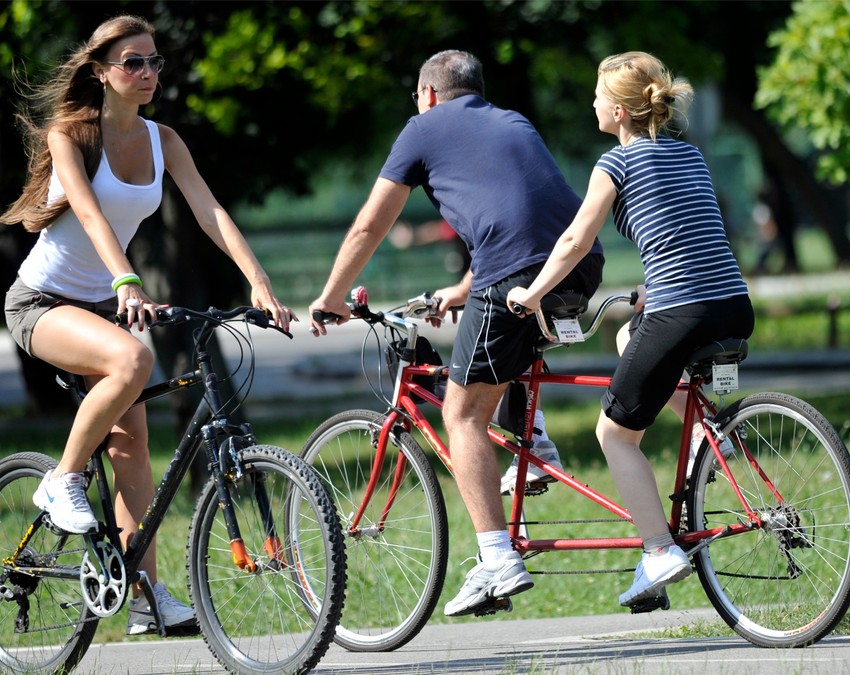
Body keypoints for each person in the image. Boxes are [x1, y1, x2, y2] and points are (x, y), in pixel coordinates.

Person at [1, 15, 294, 635]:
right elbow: (87, 210)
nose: (148, 73)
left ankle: (144, 597)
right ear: (102, 72)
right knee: (133, 363)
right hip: (42, 303)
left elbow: (211, 211)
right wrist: (127, 279)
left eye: (154, 61)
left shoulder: (166, 141)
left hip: (108, 305)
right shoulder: (70, 135)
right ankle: (61, 481)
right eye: (133, 62)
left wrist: (259, 282)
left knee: (134, 446)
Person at [309, 49, 604, 617]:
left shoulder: (422, 129)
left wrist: (330, 297)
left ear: (427, 95)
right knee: (504, 359)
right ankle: (532, 440)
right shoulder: (512, 120)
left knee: (462, 414)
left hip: (516, 273)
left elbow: (372, 222)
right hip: (579, 266)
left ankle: (497, 559)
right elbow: (521, 218)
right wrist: (460, 291)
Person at [506, 51, 754, 607]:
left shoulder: (614, 165)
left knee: (613, 435)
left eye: (598, 96)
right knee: (626, 337)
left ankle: (659, 551)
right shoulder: (689, 155)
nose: (592, 103)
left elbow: (573, 242)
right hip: (733, 303)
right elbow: (686, 232)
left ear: (618, 111)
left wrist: (532, 292)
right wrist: (648, 290)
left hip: (683, 310)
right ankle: (702, 437)